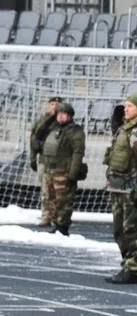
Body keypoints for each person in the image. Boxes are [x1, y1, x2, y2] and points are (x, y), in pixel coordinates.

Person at [104, 93, 137, 284]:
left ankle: (132, 268)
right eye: (125, 105)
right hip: (118, 186)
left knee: (132, 229)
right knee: (119, 230)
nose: (125, 109)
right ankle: (126, 264)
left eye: (130, 106)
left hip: (132, 188)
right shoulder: (126, 128)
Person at [38, 102, 84, 234]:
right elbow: (39, 134)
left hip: (64, 171)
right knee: (49, 197)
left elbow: (78, 153)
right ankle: (53, 222)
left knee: (63, 200)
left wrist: (73, 172)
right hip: (50, 170)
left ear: (69, 116)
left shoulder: (75, 131)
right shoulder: (53, 128)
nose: (60, 117)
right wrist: (50, 118)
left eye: (64, 114)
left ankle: (62, 226)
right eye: (59, 114)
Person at [30, 96, 58, 224]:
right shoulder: (42, 121)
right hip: (43, 159)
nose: (54, 106)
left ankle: (56, 216)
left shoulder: (62, 122)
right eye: (52, 104)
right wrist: (32, 158)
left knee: (57, 189)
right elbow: (33, 139)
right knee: (45, 189)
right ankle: (45, 214)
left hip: (58, 160)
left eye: (57, 104)